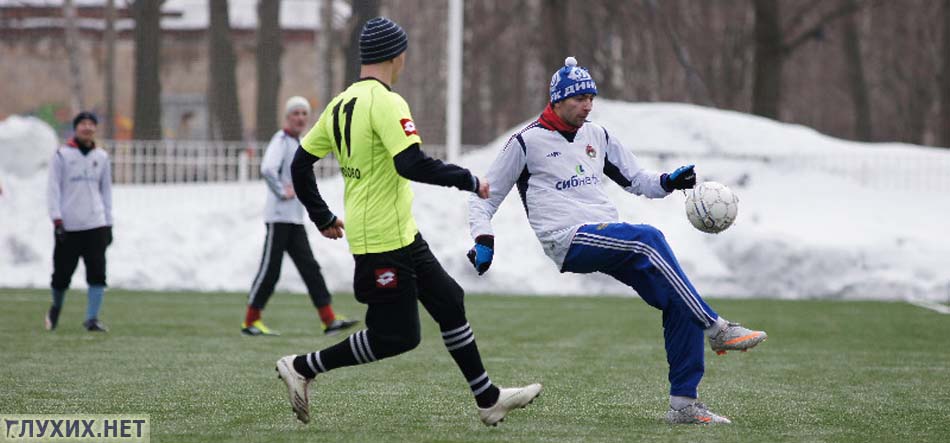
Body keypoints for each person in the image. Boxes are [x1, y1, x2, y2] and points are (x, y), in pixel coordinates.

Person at [467, 57, 768, 425]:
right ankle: (718, 329)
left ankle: (684, 405)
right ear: (558, 100)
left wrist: (668, 182)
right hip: (567, 239)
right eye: (579, 98)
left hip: (607, 234)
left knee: (678, 300)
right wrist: (483, 238)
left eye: (591, 97)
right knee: (648, 238)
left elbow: (637, 180)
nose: (588, 105)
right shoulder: (525, 142)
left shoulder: (599, 135)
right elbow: (484, 196)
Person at [276, 17, 541, 426]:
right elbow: (410, 162)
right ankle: (303, 366)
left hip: (399, 234)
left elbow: (300, 164)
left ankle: (488, 399)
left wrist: (322, 216)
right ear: (397, 56)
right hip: (381, 239)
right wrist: (467, 179)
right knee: (397, 336)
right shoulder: (387, 102)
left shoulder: (341, 103)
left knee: (450, 301)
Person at [242, 96, 359, 337]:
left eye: (304, 114)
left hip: (294, 220)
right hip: (278, 218)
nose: (300, 118)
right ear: (287, 117)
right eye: (295, 113)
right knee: (270, 270)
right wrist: (282, 192)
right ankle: (250, 321)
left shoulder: (299, 143)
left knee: (310, 269)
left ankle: (328, 320)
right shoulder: (281, 140)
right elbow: (267, 168)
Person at [46, 111, 113, 332]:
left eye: (91, 124)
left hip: (95, 224)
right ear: (76, 128)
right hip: (69, 225)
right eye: (83, 123)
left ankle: (92, 318)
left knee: (97, 272)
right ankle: (56, 308)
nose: (87, 127)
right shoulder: (62, 155)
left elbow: (106, 192)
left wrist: (108, 223)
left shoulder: (101, 157)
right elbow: (53, 190)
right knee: (62, 275)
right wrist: (57, 220)